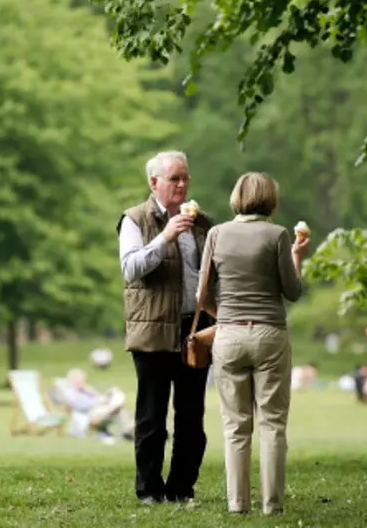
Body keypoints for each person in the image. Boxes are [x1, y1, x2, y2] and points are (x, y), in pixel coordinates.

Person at [200, 172, 308, 515]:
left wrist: (226, 317)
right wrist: (297, 258)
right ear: (270, 199)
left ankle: (237, 504)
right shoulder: (277, 234)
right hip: (269, 334)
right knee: (272, 423)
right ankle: (272, 505)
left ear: (236, 197)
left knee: (235, 425)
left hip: (229, 335)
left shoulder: (216, 234)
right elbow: (291, 292)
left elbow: (201, 294)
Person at [117, 150, 214, 504]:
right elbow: (130, 269)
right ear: (153, 182)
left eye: (185, 177)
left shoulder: (201, 222)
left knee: (192, 418)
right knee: (151, 418)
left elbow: (209, 274)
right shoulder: (134, 219)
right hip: (153, 329)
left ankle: (181, 489)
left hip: (195, 329)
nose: (182, 184)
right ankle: (149, 490)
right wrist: (164, 237)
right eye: (174, 178)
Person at [60, 368, 135, 443]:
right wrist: (100, 401)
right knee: (118, 407)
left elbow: (98, 396)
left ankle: (128, 430)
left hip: (100, 410)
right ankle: (128, 429)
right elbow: (82, 406)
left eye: (82, 379)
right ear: (73, 381)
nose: (82, 381)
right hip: (90, 415)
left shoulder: (86, 389)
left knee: (115, 393)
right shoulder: (71, 393)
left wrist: (104, 399)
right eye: (80, 380)